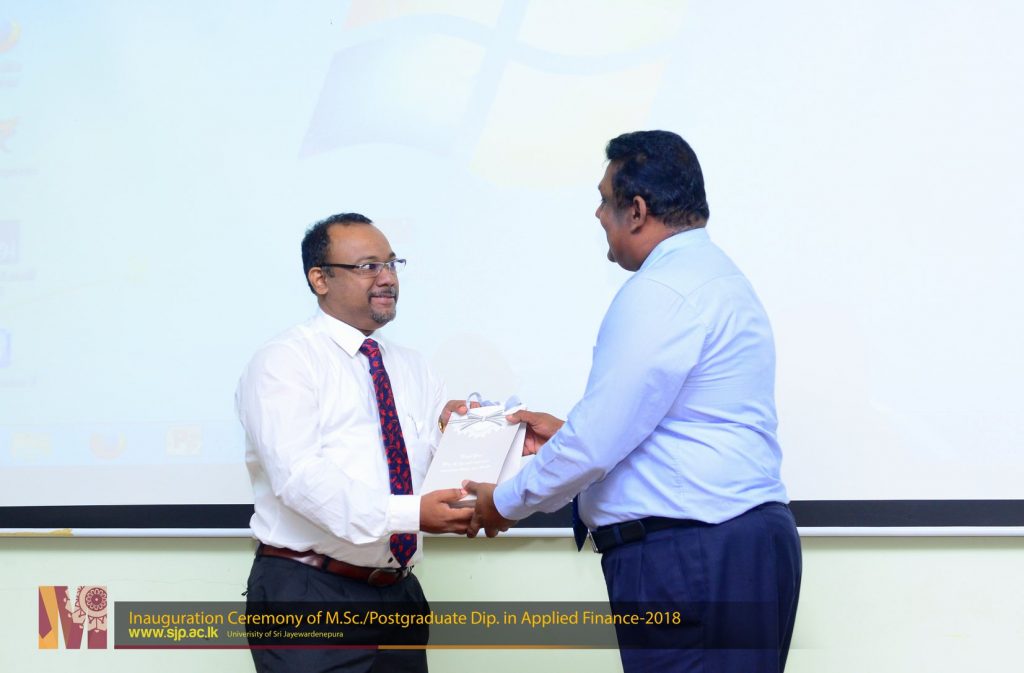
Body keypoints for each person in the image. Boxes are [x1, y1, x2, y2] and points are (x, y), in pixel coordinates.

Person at [466, 131, 802, 672]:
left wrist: (501, 503)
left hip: (689, 556)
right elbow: (669, 423)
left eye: (605, 200)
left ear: (638, 210)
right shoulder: (717, 277)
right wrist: (569, 434)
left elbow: (595, 443)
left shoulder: (661, 291)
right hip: (734, 547)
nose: (598, 214)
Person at [236, 212, 473, 673]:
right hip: (309, 594)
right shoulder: (284, 362)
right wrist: (411, 514)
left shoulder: (414, 367)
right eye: (368, 266)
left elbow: (424, 470)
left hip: (399, 594)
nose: (387, 279)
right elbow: (301, 479)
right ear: (320, 279)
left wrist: (468, 438)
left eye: (392, 264)